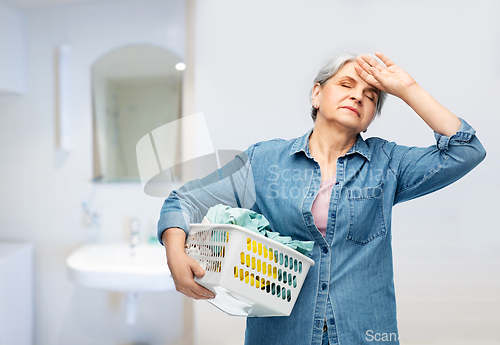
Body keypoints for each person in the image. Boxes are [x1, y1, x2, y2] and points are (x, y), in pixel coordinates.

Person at [157, 52, 486, 345]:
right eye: (345, 85)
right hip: (282, 335)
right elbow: (183, 201)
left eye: (370, 96)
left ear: (372, 115)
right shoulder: (264, 160)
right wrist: (175, 251)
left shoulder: (389, 163)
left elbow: (466, 151)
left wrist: (407, 89)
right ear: (317, 93)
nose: (357, 96)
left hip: (364, 333)